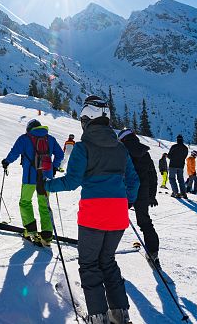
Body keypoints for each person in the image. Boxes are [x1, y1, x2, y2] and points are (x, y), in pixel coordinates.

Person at [46, 95, 139, 324]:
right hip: (118, 214)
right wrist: (125, 202)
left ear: (87, 120)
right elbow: (133, 181)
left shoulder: (82, 147)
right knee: (107, 261)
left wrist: (45, 185)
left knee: (89, 265)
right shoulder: (120, 148)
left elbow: (71, 182)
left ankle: (98, 317)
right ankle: (120, 314)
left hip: (93, 214)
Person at [1, 119, 64, 246]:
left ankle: (31, 231)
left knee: (25, 202)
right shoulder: (50, 138)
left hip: (29, 178)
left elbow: (14, 153)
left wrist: (6, 161)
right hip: (46, 177)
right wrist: (55, 167)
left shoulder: (24, 138)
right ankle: (46, 236)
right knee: (44, 204)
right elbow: (60, 154)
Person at [118, 128, 161, 269]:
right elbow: (152, 175)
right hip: (143, 192)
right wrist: (151, 195)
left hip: (125, 191)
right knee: (145, 222)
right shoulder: (144, 153)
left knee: (115, 221)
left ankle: (106, 251)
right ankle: (153, 253)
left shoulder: (122, 151)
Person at [168, 135, 188, 199]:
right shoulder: (185, 148)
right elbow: (185, 156)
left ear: (177, 140)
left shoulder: (174, 147)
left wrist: (169, 157)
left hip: (173, 165)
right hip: (181, 166)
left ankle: (175, 192)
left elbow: (169, 156)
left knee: (172, 178)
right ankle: (184, 193)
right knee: (181, 179)